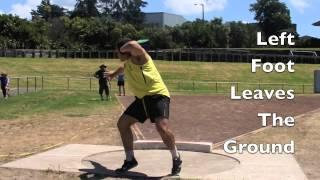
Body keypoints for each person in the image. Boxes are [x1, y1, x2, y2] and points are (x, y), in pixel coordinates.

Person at [106, 38, 182, 176]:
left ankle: (176, 158)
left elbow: (133, 44)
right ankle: (130, 160)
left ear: (126, 51)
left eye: (118, 52)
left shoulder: (141, 59)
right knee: (122, 124)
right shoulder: (128, 62)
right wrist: (113, 74)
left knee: (162, 128)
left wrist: (123, 48)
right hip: (142, 100)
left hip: (158, 95)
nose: (117, 55)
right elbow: (123, 67)